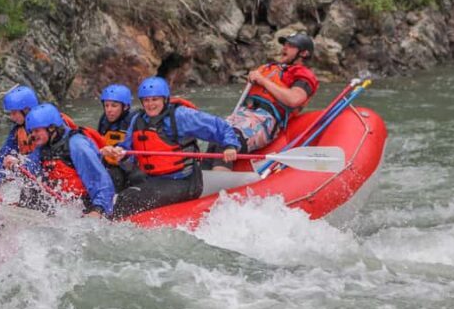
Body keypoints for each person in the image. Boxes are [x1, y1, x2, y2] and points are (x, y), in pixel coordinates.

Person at [101, 76, 240, 218]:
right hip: (153, 179)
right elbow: (127, 152)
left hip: (184, 182)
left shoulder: (180, 116)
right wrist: (119, 154)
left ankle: (115, 225)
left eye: (155, 99)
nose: (150, 104)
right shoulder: (138, 120)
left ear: (164, 99)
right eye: (146, 100)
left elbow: (220, 127)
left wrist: (230, 146)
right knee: (116, 189)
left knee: (128, 199)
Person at [207, 31, 320, 171]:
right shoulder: (269, 68)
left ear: (304, 53)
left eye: (291, 45)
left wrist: (262, 80)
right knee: (214, 137)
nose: (284, 47)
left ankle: (218, 186)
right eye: (285, 44)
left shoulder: (302, 74)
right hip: (244, 114)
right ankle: (203, 185)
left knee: (229, 140)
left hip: (265, 120)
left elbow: (294, 99)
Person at [17, 103, 115, 218]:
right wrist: (16, 164)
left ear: (51, 128)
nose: (33, 135)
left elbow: (100, 180)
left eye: (37, 131)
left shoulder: (77, 144)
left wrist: (98, 209)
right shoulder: (43, 146)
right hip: (61, 203)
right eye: (32, 131)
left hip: (83, 204)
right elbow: (29, 169)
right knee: (30, 188)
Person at [96, 84, 143, 192]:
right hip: (110, 164)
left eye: (114, 106)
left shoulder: (135, 120)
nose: (109, 110)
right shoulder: (104, 120)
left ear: (125, 107)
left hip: (130, 166)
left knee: (133, 177)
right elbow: (98, 143)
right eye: (106, 105)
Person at [0, 85, 39, 169]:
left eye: (14, 113)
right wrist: (8, 158)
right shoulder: (18, 130)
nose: (11, 117)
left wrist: (20, 162)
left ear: (26, 110)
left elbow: (41, 154)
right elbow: (5, 152)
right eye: (11, 113)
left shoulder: (47, 129)